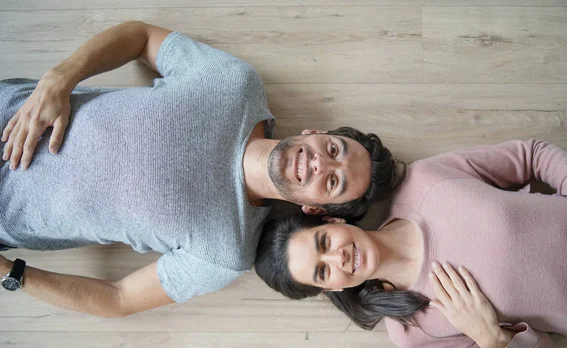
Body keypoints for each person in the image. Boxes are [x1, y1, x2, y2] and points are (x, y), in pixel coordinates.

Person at [0, 21, 401, 317]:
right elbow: (140, 37)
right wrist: (60, 78)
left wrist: (10, 274)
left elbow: (118, 298)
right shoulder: (234, 84)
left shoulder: (225, 252)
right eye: (333, 149)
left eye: (332, 181)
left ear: (316, 209)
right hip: (11, 110)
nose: (319, 163)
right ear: (317, 132)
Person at [254, 139, 567, 348]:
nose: (338, 258)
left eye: (325, 243)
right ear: (331, 289)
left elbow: (533, 153)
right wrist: (491, 337)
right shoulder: (413, 331)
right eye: (322, 272)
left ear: (331, 219)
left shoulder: (426, 181)